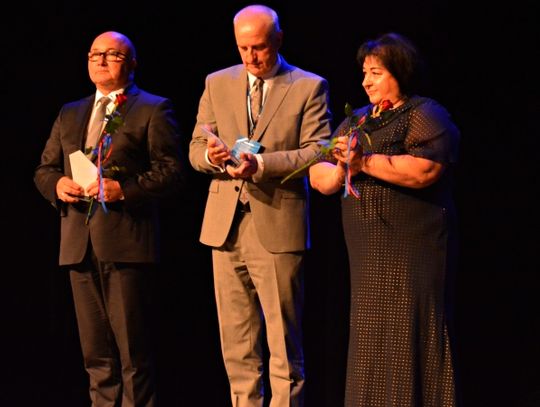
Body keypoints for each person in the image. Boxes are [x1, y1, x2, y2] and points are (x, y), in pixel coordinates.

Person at [189, 4, 332, 407]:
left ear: (279, 40)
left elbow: (318, 151)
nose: (251, 57)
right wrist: (211, 158)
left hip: (276, 225)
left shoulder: (308, 86)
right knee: (237, 344)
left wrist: (262, 164)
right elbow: (196, 148)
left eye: (260, 48)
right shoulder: (217, 82)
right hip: (225, 227)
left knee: (284, 344)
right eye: (243, 48)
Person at [309, 32, 461, 406]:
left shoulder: (423, 113)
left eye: (375, 72)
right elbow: (321, 178)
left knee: (410, 331)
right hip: (369, 256)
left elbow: (425, 171)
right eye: (364, 73)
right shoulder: (357, 121)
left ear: (399, 72)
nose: (365, 81)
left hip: (413, 249)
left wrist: (364, 163)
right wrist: (343, 164)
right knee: (372, 336)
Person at [34, 31, 184, 407]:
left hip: (126, 245)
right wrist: (58, 185)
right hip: (78, 246)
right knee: (95, 356)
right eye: (95, 54)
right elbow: (44, 169)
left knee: (134, 356)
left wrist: (125, 190)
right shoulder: (70, 112)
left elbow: (171, 172)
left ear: (131, 64)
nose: (101, 60)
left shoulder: (152, 108)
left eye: (112, 54)